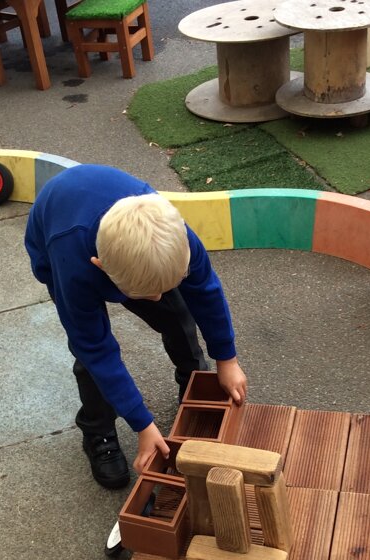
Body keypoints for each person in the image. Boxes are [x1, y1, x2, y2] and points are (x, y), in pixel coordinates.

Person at [24, 164, 247, 489]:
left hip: (112, 235)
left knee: (176, 312)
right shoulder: (74, 269)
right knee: (89, 355)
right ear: (102, 269)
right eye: (144, 293)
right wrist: (143, 424)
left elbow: (206, 293)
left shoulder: (177, 236)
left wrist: (227, 359)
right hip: (57, 241)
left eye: (165, 286)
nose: (155, 297)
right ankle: (98, 430)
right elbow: (97, 349)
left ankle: (193, 380)